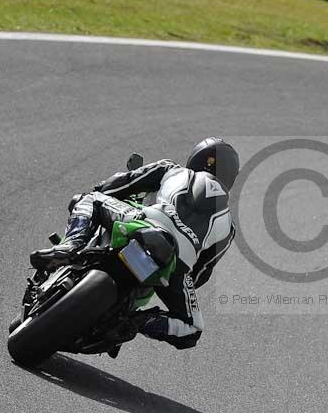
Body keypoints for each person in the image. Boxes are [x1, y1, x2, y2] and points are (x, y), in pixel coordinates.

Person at [29, 137, 239, 351]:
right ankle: (135, 322)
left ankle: (71, 247)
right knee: (192, 330)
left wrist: (102, 189)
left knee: (90, 199)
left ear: (196, 158)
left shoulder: (172, 169)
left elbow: (122, 183)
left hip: (145, 222)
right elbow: (201, 273)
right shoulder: (229, 227)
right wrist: (173, 282)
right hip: (178, 261)